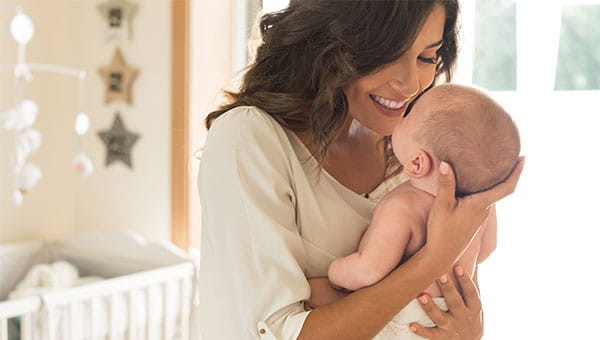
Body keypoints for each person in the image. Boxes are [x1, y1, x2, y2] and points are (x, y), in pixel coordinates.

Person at [197, 1, 525, 339]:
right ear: (328, 40)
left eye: (426, 57)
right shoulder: (251, 139)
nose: (410, 84)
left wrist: (468, 331)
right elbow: (275, 332)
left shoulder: (419, 156)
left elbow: (451, 300)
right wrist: (431, 260)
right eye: (387, 55)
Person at [306, 84, 520, 339]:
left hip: (406, 315)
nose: (402, 114)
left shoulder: (404, 207)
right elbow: (487, 249)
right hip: (448, 313)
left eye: (408, 116)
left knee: (313, 292)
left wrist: (336, 273)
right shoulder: (476, 212)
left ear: (418, 162)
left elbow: (369, 270)